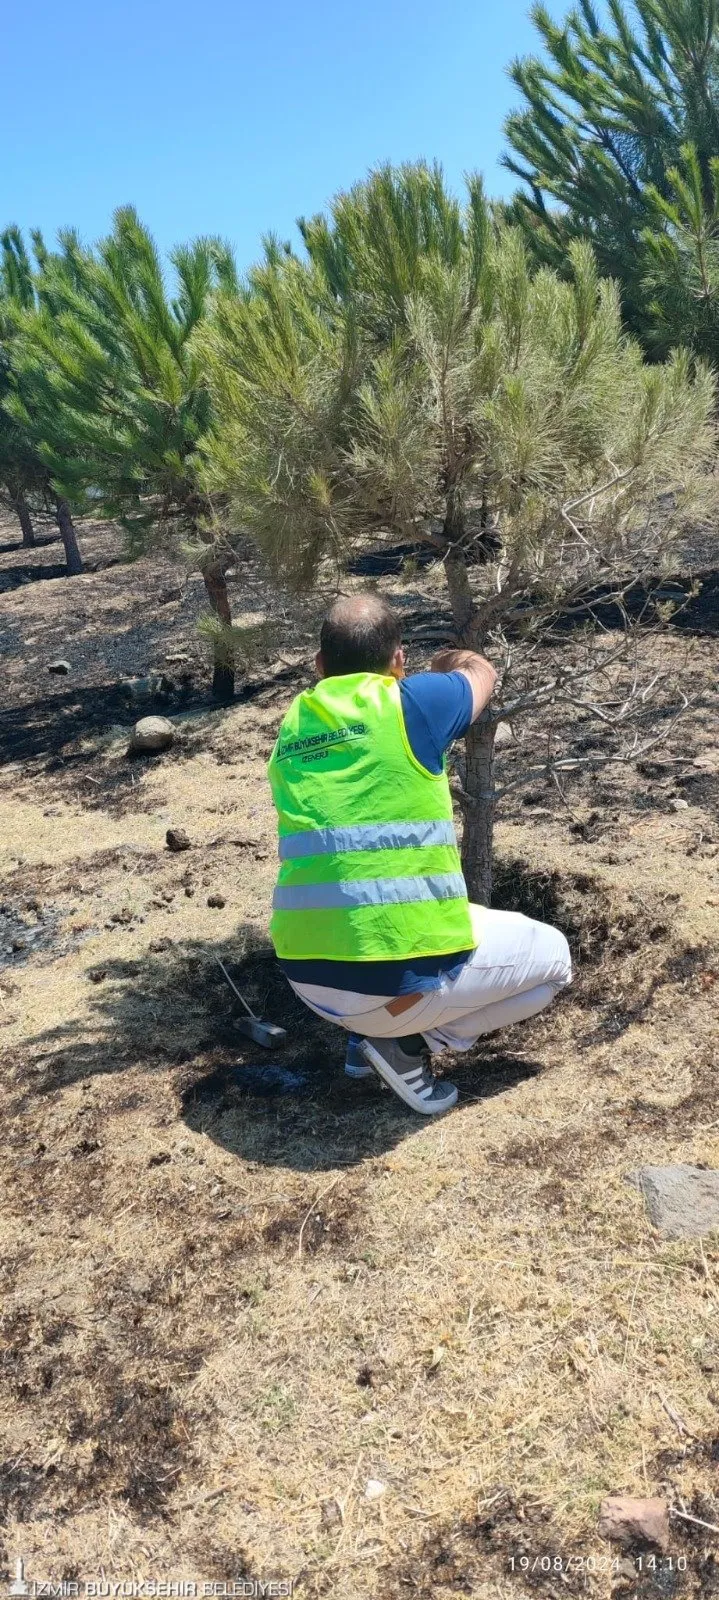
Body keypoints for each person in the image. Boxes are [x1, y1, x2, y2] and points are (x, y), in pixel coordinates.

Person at [267, 594, 571, 1115]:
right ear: (398, 662)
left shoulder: (295, 724)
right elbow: (482, 674)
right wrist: (450, 661)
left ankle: (369, 1039)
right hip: (384, 982)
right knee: (555, 962)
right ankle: (408, 1047)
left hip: (306, 977)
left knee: (446, 917)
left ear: (319, 667)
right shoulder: (413, 702)